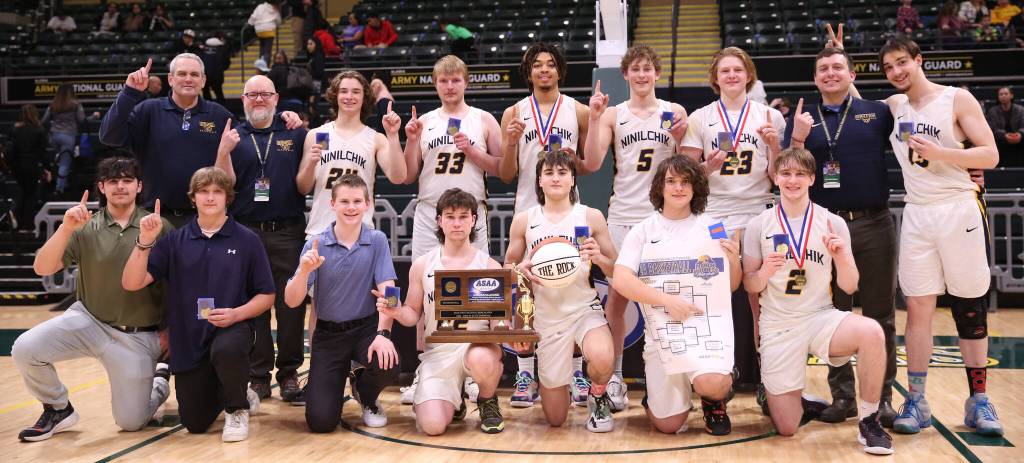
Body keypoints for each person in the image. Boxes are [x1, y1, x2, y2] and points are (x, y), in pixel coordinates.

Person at [874, 38, 1002, 437]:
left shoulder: (956, 99)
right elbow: (853, 105)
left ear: (918, 60)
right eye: (888, 67)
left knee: (969, 305)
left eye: (902, 62)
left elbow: (990, 155)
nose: (896, 72)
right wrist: (837, 55)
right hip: (917, 211)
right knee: (917, 306)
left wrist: (943, 153)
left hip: (958, 207)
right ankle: (917, 400)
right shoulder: (894, 106)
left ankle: (979, 401)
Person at [742, 147, 892, 455]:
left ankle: (869, 421)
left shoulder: (832, 222)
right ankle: (802, 401)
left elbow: (849, 285)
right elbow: (750, 284)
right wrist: (764, 272)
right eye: (786, 173)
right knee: (786, 427)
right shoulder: (759, 224)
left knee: (873, 333)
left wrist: (844, 257)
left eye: (800, 174)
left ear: (812, 178)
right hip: (779, 324)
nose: (792, 180)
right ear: (775, 177)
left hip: (820, 316)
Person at [13, 157, 172, 442]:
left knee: (131, 422)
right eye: (113, 181)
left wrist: (172, 329)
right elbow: (42, 268)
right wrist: (66, 228)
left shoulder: (159, 226)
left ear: (139, 186)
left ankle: (159, 382)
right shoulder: (85, 226)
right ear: (102, 187)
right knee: (25, 348)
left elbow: (181, 284)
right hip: (89, 322)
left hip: (137, 336)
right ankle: (58, 408)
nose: (120, 186)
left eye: (127, 180)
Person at [785, 42, 899, 426]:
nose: (830, 73)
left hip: (873, 223)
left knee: (881, 314)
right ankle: (844, 396)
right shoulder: (803, 118)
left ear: (852, 75)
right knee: (832, 314)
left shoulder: (877, 112)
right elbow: (788, 168)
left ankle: (882, 398)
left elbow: (913, 141)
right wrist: (798, 138)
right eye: (824, 69)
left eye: (838, 67)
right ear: (815, 78)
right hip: (825, 228)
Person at [122, 167, 276, 442]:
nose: (210, 197)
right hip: (189, 337)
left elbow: (267, 296)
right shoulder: (175, 240)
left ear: (228, 197)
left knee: (227, 349)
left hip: (232, 328)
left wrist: (236, 314)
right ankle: (234, 388)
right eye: (203, 191)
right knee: (194, 422)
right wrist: (144, 241)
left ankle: (236, 407)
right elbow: (132, 283)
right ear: (193, 198)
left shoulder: (247, 240)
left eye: (217, 191)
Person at [582, 44, 688, 412]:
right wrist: (594, 119)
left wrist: (682, 138)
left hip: (662, 219)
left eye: (647, 68)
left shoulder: (675, 112)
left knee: (665, 299)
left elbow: (687, 169)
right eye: (635, 69)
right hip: (622, 217)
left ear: (657, 73)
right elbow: (592, 162)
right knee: (617, 301)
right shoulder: (614, 114)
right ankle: (614, 377)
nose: (642, 75)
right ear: (625, 74)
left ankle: (668, 377)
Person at [397, 55, 502, 405]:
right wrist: (410, 140)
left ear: (466, 82)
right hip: (431, 212)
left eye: (456, 79)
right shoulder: (424, 122)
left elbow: (503, 168)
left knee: (477, 293)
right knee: (425, 292)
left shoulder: (483, 119)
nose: (450, 86)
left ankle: (472, 371)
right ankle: (424, 369)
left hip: (471, 213)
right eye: (443, 80)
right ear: (436, 84)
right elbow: (408, 175)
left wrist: (471, 150)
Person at [680, 46, 786, 392]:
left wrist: (775, 147)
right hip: (715, 215)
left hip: (758, 211)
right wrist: (707, 167)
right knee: (713, 295)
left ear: (748, 75)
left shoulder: (770, 116)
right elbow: (685, 176)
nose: (731, 76)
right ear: (715, 78)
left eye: (737, 70)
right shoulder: (700, 117)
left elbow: (778, 176)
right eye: (724, 70)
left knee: (761, 300)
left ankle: (767, 377)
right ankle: (715, 373)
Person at [612, 155, 740, 436]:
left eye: (686, 181)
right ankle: (661, 396)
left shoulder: (714, 227)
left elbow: (730, 285)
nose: (678, 188)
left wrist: (734, 262)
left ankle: (713, 400)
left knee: (712, 383)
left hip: (703, 328)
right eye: (671, 181)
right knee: (668, 425)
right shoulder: (643, 230)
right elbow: (621, 279)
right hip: (663, 332)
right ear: (660, 186)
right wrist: (667, 300)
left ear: (696, 187)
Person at [99, 53, 301, 227]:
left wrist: (281, 118)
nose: (188, 79)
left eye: (194, 74)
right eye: (182, 74)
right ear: (170, 79)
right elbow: (109, 137)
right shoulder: (148, 110)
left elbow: (253, 131)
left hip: (206, 218)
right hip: (155, 216)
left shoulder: (220, 115)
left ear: (203, 81)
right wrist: (129, 93)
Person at [498, 42, 591, 409]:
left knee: (573, 286)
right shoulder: (513, 112)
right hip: (528, 209)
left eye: (550, 64)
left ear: (559, 70)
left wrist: (574, 160)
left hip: (569, 209)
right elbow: (506, 173)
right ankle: (525, 372)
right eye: (537, 64)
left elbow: (589, 165)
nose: (544, 70)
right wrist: (510, 143)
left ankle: (578, 371)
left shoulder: (579, 111)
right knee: (525, 290)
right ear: (529, 71)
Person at [505, 150, 618, 432]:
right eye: (549, 173)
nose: (555, 178)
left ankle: (598, 396)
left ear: (572, 180)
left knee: (603, 356)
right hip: (546, 316)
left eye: (562, 173)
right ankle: (560, 383)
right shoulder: (524, 220)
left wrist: (599, 258)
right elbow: (507, 269)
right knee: (555, 418)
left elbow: (617, 269)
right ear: (539, 180)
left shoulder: (591, 216)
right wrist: (520, 270)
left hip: (583, 309)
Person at [215, 75, 309, 405]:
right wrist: (223, 152)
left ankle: (289, 373)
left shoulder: (295, 132)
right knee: (253, 306)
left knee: (291, 307)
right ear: (242, 99)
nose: (258, 99)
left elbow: (307, 179)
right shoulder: (233, 135)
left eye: (265, 94)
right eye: (252, 94)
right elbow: (224, 185)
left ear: (276, 98)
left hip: (287, 230)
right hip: (246, 232)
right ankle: (258, 376)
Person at [381, 188, 506, 435]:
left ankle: (487, 400)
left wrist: (510, 334)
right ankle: (454, 399)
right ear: (439, 221)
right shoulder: (422, 265)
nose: (457, 223)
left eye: (463, 216)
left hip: (475, 349)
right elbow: (412, 314)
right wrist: (395, 312)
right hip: (438, 354)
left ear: (474, 220)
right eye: (450, 216)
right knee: (433, 427)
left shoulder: (490, 266)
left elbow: (498, 325)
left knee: (482, 358)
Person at [283, 174, 400, 433]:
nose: (351, 207)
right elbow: (291, 301)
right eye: (344, 201)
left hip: (365, 329)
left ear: (367, 204)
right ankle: (336, 383)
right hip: (329, 335)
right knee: (321, 422)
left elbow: (390, 290)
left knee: (388, 361)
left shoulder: (377, 240)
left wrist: (383, 334)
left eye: (357, 201)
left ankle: (365, 394)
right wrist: (303, 272)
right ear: (332, 204)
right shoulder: (316, 243)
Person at [299, 69, 406, 237]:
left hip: (360, 234)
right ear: (335, 95)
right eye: (343, 91)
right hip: (321, 231)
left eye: (356, 92)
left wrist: (392, 136)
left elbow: (398, 177)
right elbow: (303, 188)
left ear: (364, 97)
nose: (349, 96)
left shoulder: (375, 138)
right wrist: (311, 164)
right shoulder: (320, 135)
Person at [7, 105, 51, 229]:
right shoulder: (39, 130)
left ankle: (16, 216)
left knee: (24, 192)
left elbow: (11, 149)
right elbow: (42, 153)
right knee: (30, 195)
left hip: (17, 167)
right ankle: (26, 225)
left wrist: (10, 167)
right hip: (32, 166)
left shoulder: (14, 129)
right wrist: (48, 168)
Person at [42, 83, 86, 194]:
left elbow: (44, 120)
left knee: (61, 160)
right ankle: (59, 188)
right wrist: (94, 116)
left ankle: (63, 182)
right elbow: (82, 119)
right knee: (64, 162)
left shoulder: (53, 104)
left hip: (54, 137)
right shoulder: (75, 104)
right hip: (68, 136)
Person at [986, 86, 1024, 166]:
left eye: (1006, 94)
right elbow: (992, 128)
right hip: (1001, 141)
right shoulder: (992, 111)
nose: (1003, 96)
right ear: (998, 97)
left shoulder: (1021, 110)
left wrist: (1020, 134)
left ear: (1011, 95)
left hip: (1019, 140)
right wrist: (1004, 135)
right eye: (1001, 94)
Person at [249, 1, 282, 70]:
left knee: (262, 49)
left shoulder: (260, 6)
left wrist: (250, 23)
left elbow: (253, 17)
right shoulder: (274, 8)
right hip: (269, 29)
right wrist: (277, 24)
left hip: (259, 30)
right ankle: (265, 67)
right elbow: (278, 20)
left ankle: (260, 66)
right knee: (267, 50)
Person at [201, 33, 230, 104]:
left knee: (206, 95)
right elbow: (227, 63)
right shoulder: (222, 49)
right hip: (217, 75)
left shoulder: (203, 48)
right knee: (219, 95)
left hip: (205, 74)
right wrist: (220, 69)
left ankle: (207, 109)